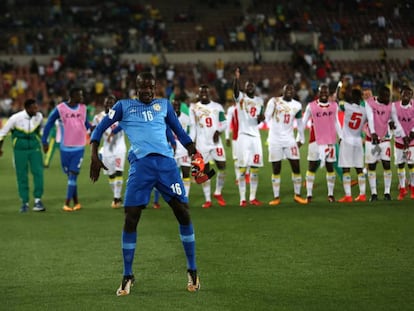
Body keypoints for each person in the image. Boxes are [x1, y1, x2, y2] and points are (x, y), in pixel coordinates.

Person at [90, 72, 202, 296]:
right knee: (131, 216)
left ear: (155, 88)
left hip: (167, 167)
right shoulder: (123, 106)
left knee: (183, 213)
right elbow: (100, 128)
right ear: (136, 88)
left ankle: (192, 270)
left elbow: (179, 132)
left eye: (151, 87)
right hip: (141, 167)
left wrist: (194, 152)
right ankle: (127, 274)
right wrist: (94, 154)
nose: (148, 91)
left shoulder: (164, 105)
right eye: (143, 88)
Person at [42, 87, 91, 211]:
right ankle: (76, 202)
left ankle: (66, 203)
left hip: (79, 147)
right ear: (73, 95)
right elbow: (49, 124)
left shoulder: (83, 109)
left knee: (73, 175)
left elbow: (86, 124)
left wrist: (95, 129)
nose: (82, 97)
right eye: (80, 95)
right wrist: (44, 141)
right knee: (70, 176)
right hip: (64, 148)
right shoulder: (60, 109)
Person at [264, 83, 307, 205]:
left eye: (291, 89)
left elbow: (299, 124)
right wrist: (262, 117)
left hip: (290, 140)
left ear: (294, 92)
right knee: (276, 169)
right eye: (287, 89)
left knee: (296, 166)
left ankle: (297, 195)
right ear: (282, 91)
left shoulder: (297, 105)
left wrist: (301, 139)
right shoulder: (274, 101)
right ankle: (276, 197)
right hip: (274, 140)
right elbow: (267, 117)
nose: (289, 91)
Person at [0, 99, 46, 212]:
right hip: (19, 151)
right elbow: (3, 133)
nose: (36, 110)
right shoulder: (15, 118)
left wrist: (45, 142)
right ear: (27, 108)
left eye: (36, 107)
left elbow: (41, 131)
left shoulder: (39, 117)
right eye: (34, 108)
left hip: (35, 149)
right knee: (22, 176)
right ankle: (24, 202)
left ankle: (37, 200)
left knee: (38, 173)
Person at [302, 83, 343, 203]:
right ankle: (309, 195)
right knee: (312, 166)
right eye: (322, 92)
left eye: (326, 92)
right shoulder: (311, 106)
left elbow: (336, 122)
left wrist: (341, 136)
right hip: (315, 141)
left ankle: (330, 195)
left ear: (328, 94)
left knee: (330, 167)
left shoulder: (334, 106)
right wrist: (300, 137)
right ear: (318, 93)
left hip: (330, 141)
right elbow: (304, 122)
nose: (324, 94)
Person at [365, 86, 405, 201]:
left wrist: (397, 128)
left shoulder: (390, 106)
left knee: (386, 165)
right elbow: (371, 118)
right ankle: (374, 194)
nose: (388, 98)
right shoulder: (370, 103)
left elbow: (395, 120)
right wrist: (372, 133)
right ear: (380, 96)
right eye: (386, 96)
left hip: (385, 140)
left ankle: (387, 193)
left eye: (389, 96)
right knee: (371, 166)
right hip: (371, 140)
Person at [189, 84, 227, 208]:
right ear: (198, 94)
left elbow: (224, 122)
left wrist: (219, 131)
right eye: (201, 92)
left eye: (206, 91)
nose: (204, 93)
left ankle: (218, 192)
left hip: (216, 143)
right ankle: (208, 199)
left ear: (209, 93)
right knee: (204, 171)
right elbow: (193, 126)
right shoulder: (194, 108)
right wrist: (192, 143)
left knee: (222, 166)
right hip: (202, 143)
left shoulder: (217, 107)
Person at [233, 68, 265, 207]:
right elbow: (235, 91)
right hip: (243, 136)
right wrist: (237, 79)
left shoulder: (260, 101)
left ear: (255, 88)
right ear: (244, 89)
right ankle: (242, 199)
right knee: (242, 167)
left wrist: (261, 118)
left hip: (256, 136)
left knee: (255, 167)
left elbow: (260, 119)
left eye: (252, 85)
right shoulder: (241, 99)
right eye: (247, 86)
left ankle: (252, 197)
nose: (250, 87)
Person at [91, 94, 127, 208]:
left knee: (118, 171)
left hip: (119, 147)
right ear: (104, 104)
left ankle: (117, 198)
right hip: (107, 150)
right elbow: (94, 130)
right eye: (107, 103)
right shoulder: (98, 117)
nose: (109, 105)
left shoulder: (120, 115)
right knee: (111, 175)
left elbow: (124, 124)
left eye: (112, 103)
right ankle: (116, 196)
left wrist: (114, 132)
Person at [337, 88, 368, 203]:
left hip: (347, 141)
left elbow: (337, 101)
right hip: (358, 141)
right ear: (360, 98)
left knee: (346, 169)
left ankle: (348, 196)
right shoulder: (365, 111)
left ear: (352, 97)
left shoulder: (346, 106)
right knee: (359, 168)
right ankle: (362, 195)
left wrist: (338, 90)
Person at [392, 86, 414, 200]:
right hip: (400, 139)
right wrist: (403, 137)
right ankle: (402, 189)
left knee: (411, 165)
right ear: (400, 94)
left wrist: (410, 136)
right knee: (400, 164)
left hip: (412, 140)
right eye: (405, 93)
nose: (407, 96)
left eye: (409, 94)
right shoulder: (394, 106)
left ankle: (413, 189)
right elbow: (394, 122)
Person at [172, 97, 192, 198]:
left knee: (186, 173)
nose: (176, 106)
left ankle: (185, 197)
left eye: (177, 105)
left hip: (184, 150)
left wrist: (190, 146)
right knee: (173, 175)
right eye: (174, 105)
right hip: (172, 151)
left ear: (180, 106)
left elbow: (191, 133)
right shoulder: (167, 118)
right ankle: (176, 195)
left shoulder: (186, 118)